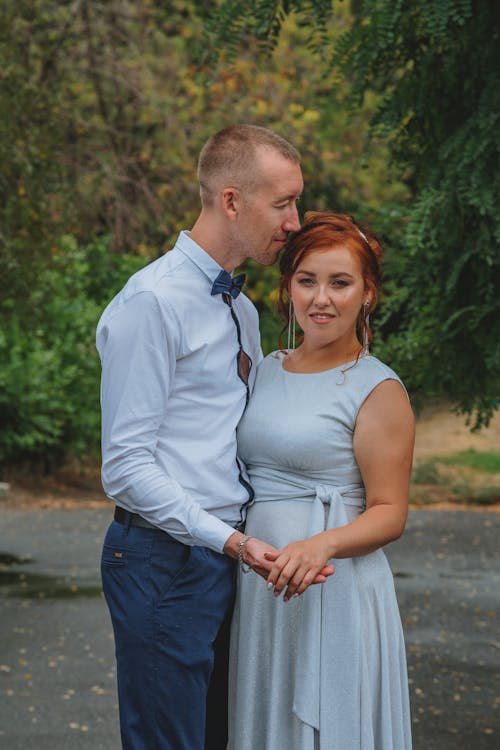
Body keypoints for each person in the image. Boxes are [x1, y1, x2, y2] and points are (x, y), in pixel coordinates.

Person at [96, 124, 332, 750]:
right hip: (162, 560)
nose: (294, 221)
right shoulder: (152, 302)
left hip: (229, 563)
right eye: (283, 203)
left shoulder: (241, 310)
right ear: (231, 200)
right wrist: (229, 541)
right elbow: (124, 466)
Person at [228, 211, 415, 749]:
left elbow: (389, 511)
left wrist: (320, 545)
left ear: (367, 293)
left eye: (340, 283)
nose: (321, 299)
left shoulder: (377, 389)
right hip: (262, 585)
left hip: (335, 585)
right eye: (307, 281)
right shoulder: (264, 369)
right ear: (287, 288)